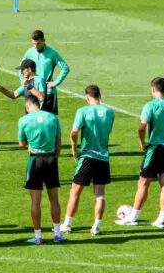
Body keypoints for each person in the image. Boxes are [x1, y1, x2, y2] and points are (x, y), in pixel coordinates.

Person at [117, 77, 164, 228]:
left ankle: (132, 218)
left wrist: (142, 143)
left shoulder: (151, 105)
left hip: (154, 149)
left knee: (143, 182)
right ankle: (161, 219)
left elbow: (141, 127)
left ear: (153, 90)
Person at [61, 85, 114, 236]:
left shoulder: (83, 111)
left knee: (75, 191)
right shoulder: (110, 112)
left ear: (87, 97)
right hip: (103, 157)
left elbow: (74, 133)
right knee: (100, 194)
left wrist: (73, 149)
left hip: (88, 156)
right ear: (99, 96)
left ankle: (67, 224)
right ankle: (96, 226)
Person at [18, 95, 64, 244]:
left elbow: (21, 142)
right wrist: (55, 155)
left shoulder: (24, 120)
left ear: (27, 106)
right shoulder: (53, 118)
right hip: (51, 159)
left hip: (35, 160)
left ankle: (38, 236)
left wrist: (29, 145)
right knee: (54, 199)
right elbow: (58, 141)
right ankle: (57, 234)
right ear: (38, 104)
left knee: (35, 202)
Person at [22, 30, 69, 115]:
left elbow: (65, 68)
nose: (36, 46)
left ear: (44, 41)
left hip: (48, 93)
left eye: (38, 44)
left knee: (50, 119)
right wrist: (24, 80)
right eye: (33, 44)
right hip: (34, 91)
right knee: (31, 119)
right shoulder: (30, 52)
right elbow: (21, 67)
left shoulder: (52, 53)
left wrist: (55, 83)